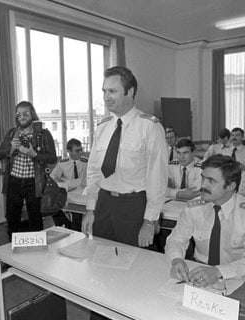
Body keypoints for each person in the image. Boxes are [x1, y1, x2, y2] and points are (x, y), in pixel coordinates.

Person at [82, 66, 168, 248]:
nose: (106, 97)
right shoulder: (103, 127)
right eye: (104, 91)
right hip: (103, 203)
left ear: (130, 91)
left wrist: (150, 221)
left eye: (112, 91)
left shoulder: (149, 127)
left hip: (134, 206)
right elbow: (93, 172)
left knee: (135, 263)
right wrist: (90, 210)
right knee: (101, 258)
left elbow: (157, 178)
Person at [165, 154, 245, 287]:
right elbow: (176, 239)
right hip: (198, 272)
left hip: (235, 276)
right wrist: (176, 260)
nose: (203, 185)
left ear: (231, 186)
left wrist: (219, 271)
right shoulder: (194, 207)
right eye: (203, 178)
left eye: (211, 181)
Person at [0, 101, 57, 240]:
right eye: (19, 114)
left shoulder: (43, 134)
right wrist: (10, 149)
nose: (22, 117)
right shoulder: (12, 133)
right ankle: (11, 256)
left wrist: (33, 154)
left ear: (32, 114)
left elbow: (52, 158)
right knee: (12, 221)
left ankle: (36, 257)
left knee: (35, 221)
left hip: (34, 183)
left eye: (26, 113)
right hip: (14, 182)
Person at [50, 138, 88, 231]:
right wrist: (63, 182)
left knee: (77, 216)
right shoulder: (63, 163)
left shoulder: (86, 162)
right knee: (52, 207)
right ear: (68, 151)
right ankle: (66, 226)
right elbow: (52, 177)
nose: (80, 152)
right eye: (77, 150)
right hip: (68, 194)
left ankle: (75, 231)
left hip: (81, 195)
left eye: (81, 150)